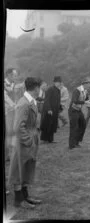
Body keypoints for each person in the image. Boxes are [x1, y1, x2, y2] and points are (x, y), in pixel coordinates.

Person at [8, 77, 42, 209]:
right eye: (39, 87)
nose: (40, 90)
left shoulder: (30, 101)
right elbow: (18, 127)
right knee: (18, 170)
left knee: (27, 168)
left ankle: (25, 196)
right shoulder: (24, 103)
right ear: (36, 88)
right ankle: (18, 200)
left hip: (29, 140)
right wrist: (28, 141)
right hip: (23, 142)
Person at [68, 77, 90, 149]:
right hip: (73, 111)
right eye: (89, 83)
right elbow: (75, 101)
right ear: (85, 83)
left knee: (83, 124)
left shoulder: (85, 91)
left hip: (78, 110)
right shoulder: (77, 90)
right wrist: (85, 102)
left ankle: (77, 142)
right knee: (74, 127)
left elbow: (87, 99)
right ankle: (71, 145)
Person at [40, 76, 62, 143]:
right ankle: (44, 139)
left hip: (55, 110)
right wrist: (49, 109)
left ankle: (50, 139)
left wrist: (60, 107)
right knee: (47, 124)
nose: (59, 83)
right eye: (58, 82)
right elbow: (47, 100)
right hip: (49, 110)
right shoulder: (50, 89)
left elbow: (57, 100)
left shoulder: (58, 90)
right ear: (54, 82)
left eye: (60, 82)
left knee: (53, 125)